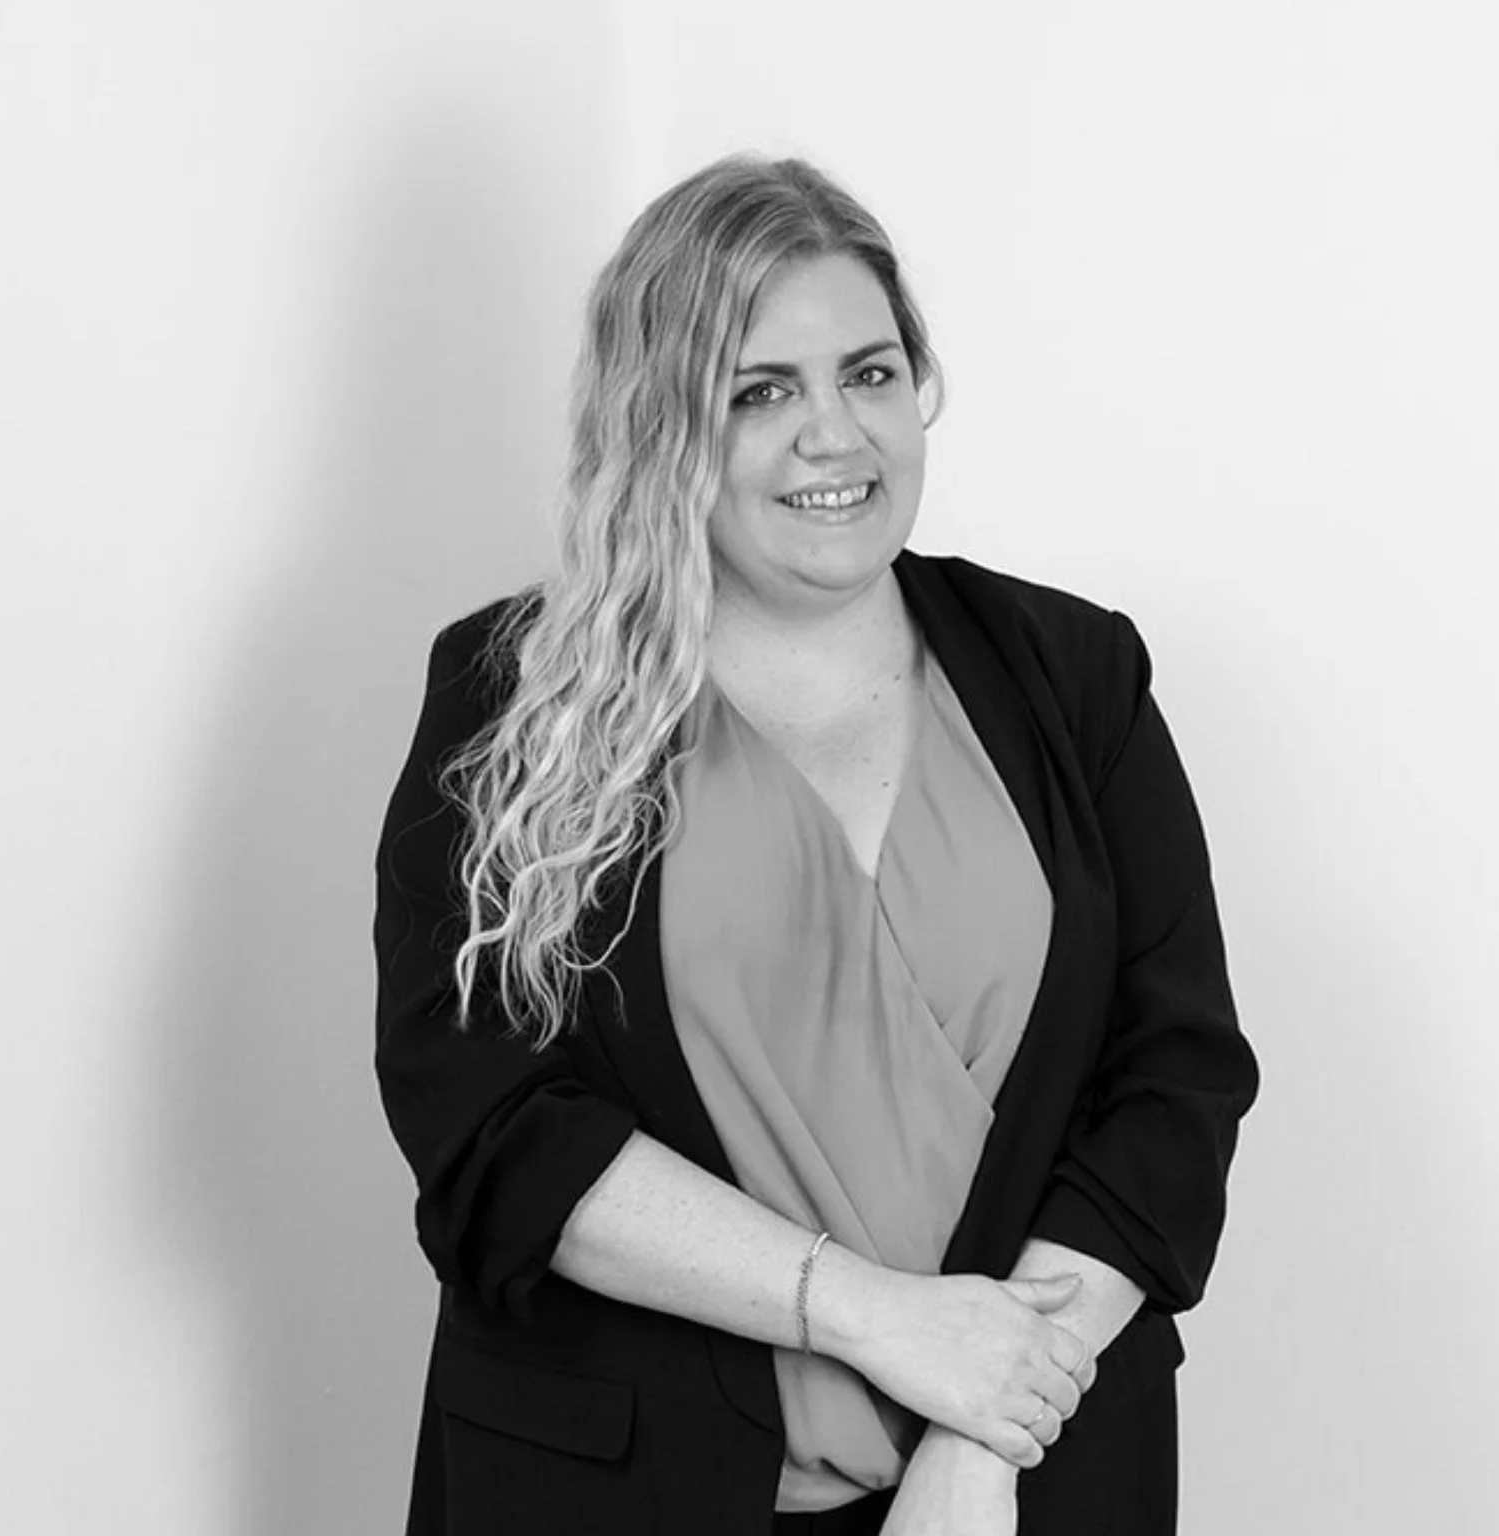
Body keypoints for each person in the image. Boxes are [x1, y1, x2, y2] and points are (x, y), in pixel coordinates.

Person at [372, 153, 1258, 1536]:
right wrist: (885, 1324)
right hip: (618, 1492)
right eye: (759, 392)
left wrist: (988, 1430)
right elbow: (485, 1125)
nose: (833, 437)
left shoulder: (1075, 675)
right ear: (663, 425)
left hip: (1022, 1485)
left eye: (871, 373)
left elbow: (1175, 1085)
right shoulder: (514, 699)